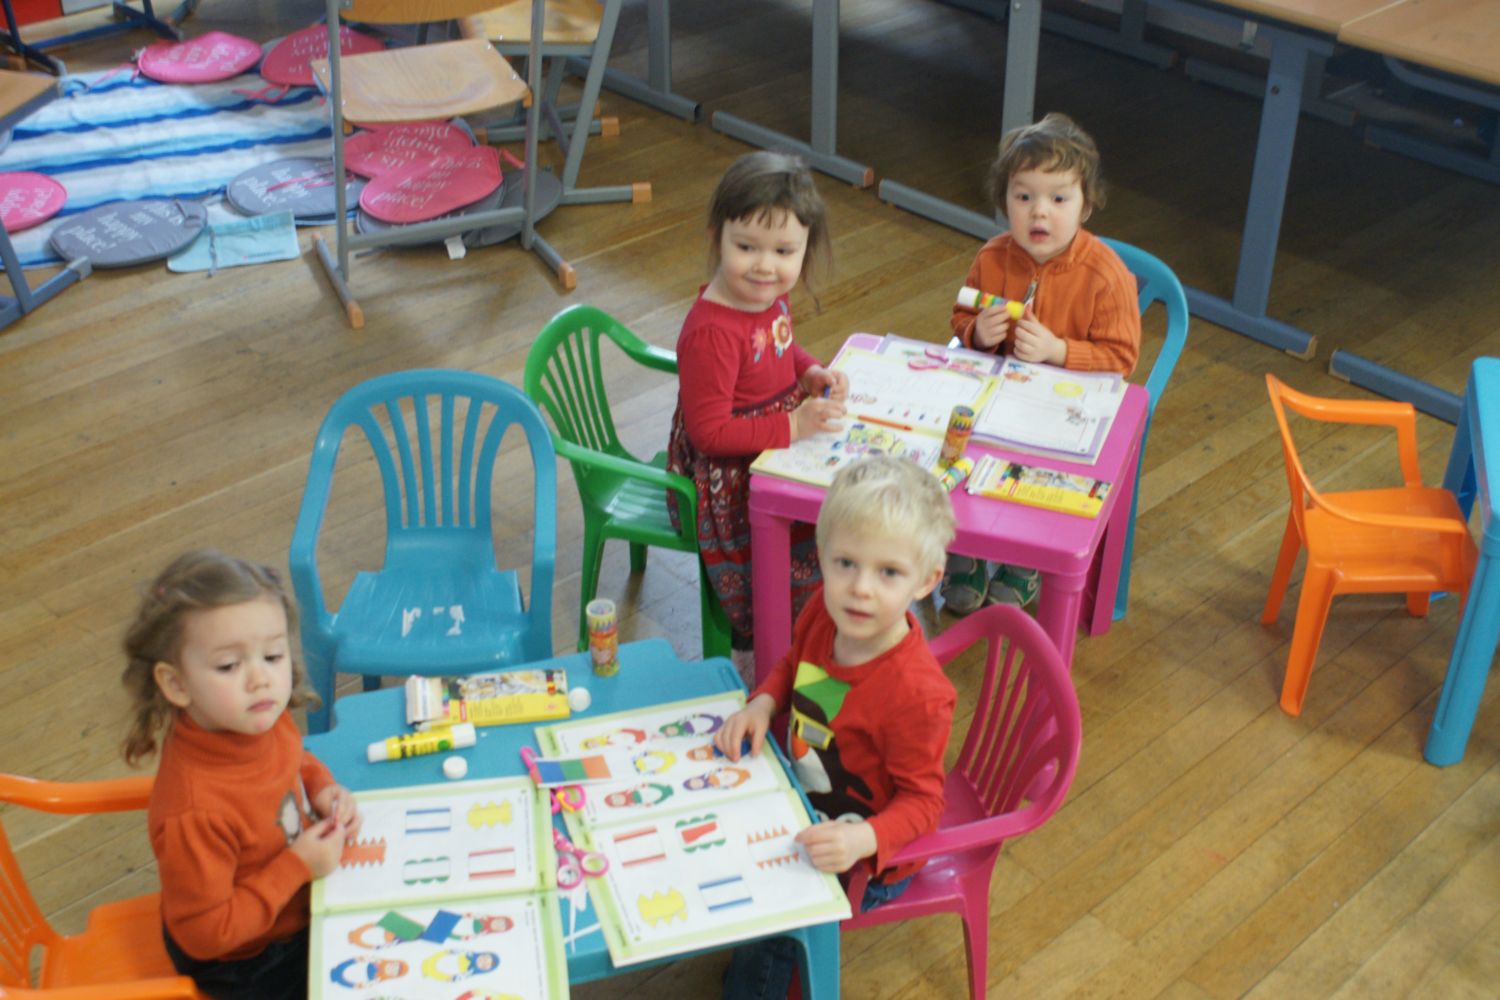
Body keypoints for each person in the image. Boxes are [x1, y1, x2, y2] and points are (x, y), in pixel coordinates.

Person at [713, 457, 957, 1000]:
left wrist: (860, 840)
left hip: (867, 857)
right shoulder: (826, 615)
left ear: (927, 580)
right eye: (845, 563)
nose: (860, 589)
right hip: (804, 803)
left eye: (888, 572)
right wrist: (762, 705)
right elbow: (794, 666)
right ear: (821, 555)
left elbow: (924, 804)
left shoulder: (917, 694)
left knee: (775, 920)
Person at [122, 550, 361, 1000]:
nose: (260, 679)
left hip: (293, 906)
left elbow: (293, 759)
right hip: (248, 960)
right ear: (176, 684)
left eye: (272, 655)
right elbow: (206, 935)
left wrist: (322, 788)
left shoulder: (255, 718)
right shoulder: (195, 812)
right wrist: (298, 866)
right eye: (229, 666)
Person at [943, 111, 1141, 614]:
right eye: (1024, 196)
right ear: (1004, 200)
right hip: (998, 400)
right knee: (959, 446)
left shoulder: (1106, 276)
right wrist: (976, 333)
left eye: (1058, 198)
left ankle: (1024, 560)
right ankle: (963, 547)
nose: (1039, 213)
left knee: (1038, 477)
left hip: (1063, 415)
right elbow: (961, 315)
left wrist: (1059, 352)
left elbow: (1121, 359)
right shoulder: (992, 258)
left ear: (1086, 205)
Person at [666, 150, 850, 684]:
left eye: (784, 251)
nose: (765, 266)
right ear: (716, 237)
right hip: (723, 479)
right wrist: (792, 426)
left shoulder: (769, 296)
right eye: (746, 247)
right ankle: (759, 658)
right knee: (786, 559)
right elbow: (709, 433)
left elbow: (781, 346)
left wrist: (809, 370)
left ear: (804, 250)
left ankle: (811, 633)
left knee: (833, 519)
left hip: (766, 444)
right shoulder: (712, 332)